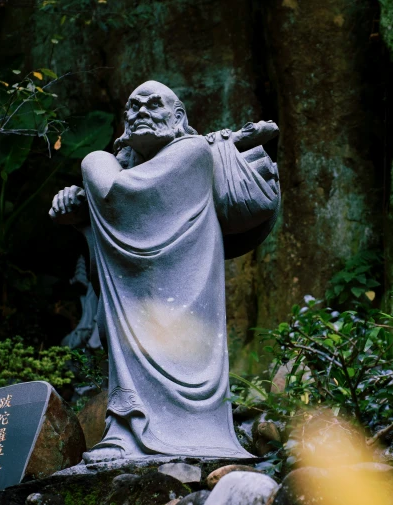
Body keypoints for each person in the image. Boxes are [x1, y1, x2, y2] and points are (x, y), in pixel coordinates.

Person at [50, 81, 280, 462]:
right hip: (138, 302)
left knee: (95, 161)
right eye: (133, 107)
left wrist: (94, 194)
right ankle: (127, 430)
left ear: (178, 119)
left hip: (189, 298)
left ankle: (192, 435)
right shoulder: (127, 169)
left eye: (153, 104)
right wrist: (85, 223)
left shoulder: (191, 152)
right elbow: (109, 270)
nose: (141, 111)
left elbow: (118, 195)